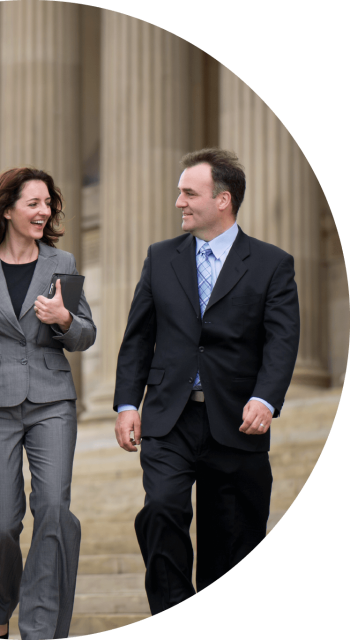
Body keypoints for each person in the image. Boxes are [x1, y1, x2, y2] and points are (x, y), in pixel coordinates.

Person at [113, 149, 300, 614]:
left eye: (188, 192)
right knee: (161, 510)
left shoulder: (272, 264)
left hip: (237, 421)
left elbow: (282, 340)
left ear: (223, 200)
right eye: (180, 191)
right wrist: (126, 404)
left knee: (232, 543)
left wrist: (266, 398)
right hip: (169, 418)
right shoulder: (160, 258)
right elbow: (138, 337)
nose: (178, 201)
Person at [0, 168, 96, 640]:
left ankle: (41, 630)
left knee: (52, 508)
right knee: (4, 523)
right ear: (7, 209)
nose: (44, 211)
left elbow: (86, 335)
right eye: (33, 203)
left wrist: (65, 318)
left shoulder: (61, 260)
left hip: (52, 401)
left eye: (48, 203)